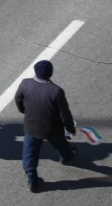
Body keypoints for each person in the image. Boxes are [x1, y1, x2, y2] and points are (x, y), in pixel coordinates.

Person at [15, 60, 77, 193]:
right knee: (60, 143)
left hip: (32, 126)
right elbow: (65, 114)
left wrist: (25, 112)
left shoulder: (25, 83)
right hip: (52, 128)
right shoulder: (56, 91)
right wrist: (71, 128)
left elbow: (18, 101)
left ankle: (32, 180)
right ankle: (66, 158)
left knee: (29, 154)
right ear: (51, 73)